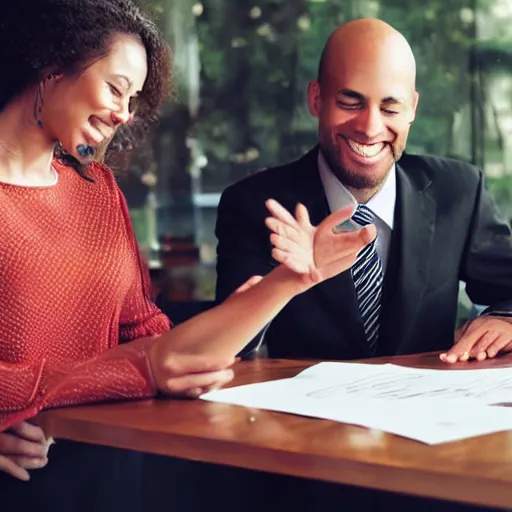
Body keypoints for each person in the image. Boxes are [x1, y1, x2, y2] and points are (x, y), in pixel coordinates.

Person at [0, 1, 376, 510]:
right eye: (115, 88)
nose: (123, 113)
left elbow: (141, 329)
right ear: (53, 63)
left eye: (132, 98)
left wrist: (242, 314)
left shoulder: (96, 190)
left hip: (111, 466)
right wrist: (140, 370)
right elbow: (145, 361)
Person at [215, 18, 512, 365]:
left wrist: (505, 321)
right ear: (316, 99)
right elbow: (227, 346)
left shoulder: (459, 192)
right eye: (351, 103)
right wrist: (286, 281)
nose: (370, 128)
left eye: (390, 108)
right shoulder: (255, 205)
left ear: (412, 108)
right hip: (304, 416)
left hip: (424, 413)